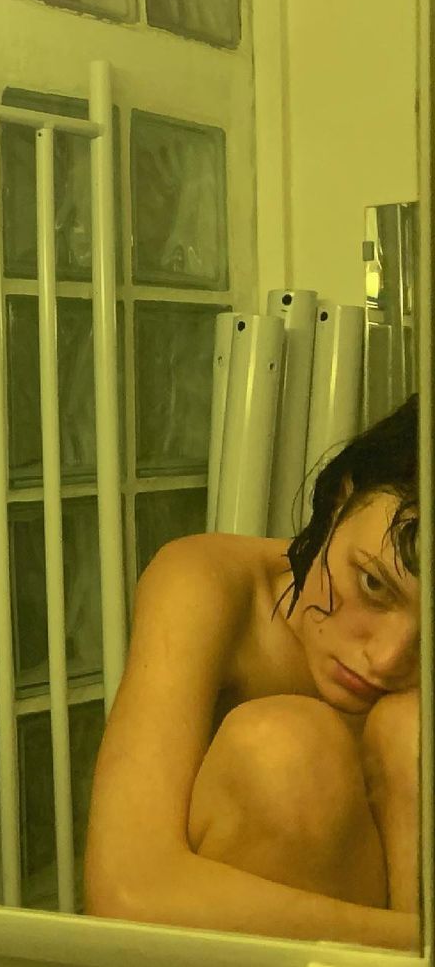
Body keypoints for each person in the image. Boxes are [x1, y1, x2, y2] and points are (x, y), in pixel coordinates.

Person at [84, 394, 421, 951]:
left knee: (410, 732)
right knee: (284, 749)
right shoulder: (211, 586)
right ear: (341, 499)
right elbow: (126, 892)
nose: (387, 659)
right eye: (373, 584)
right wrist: (418, 943)